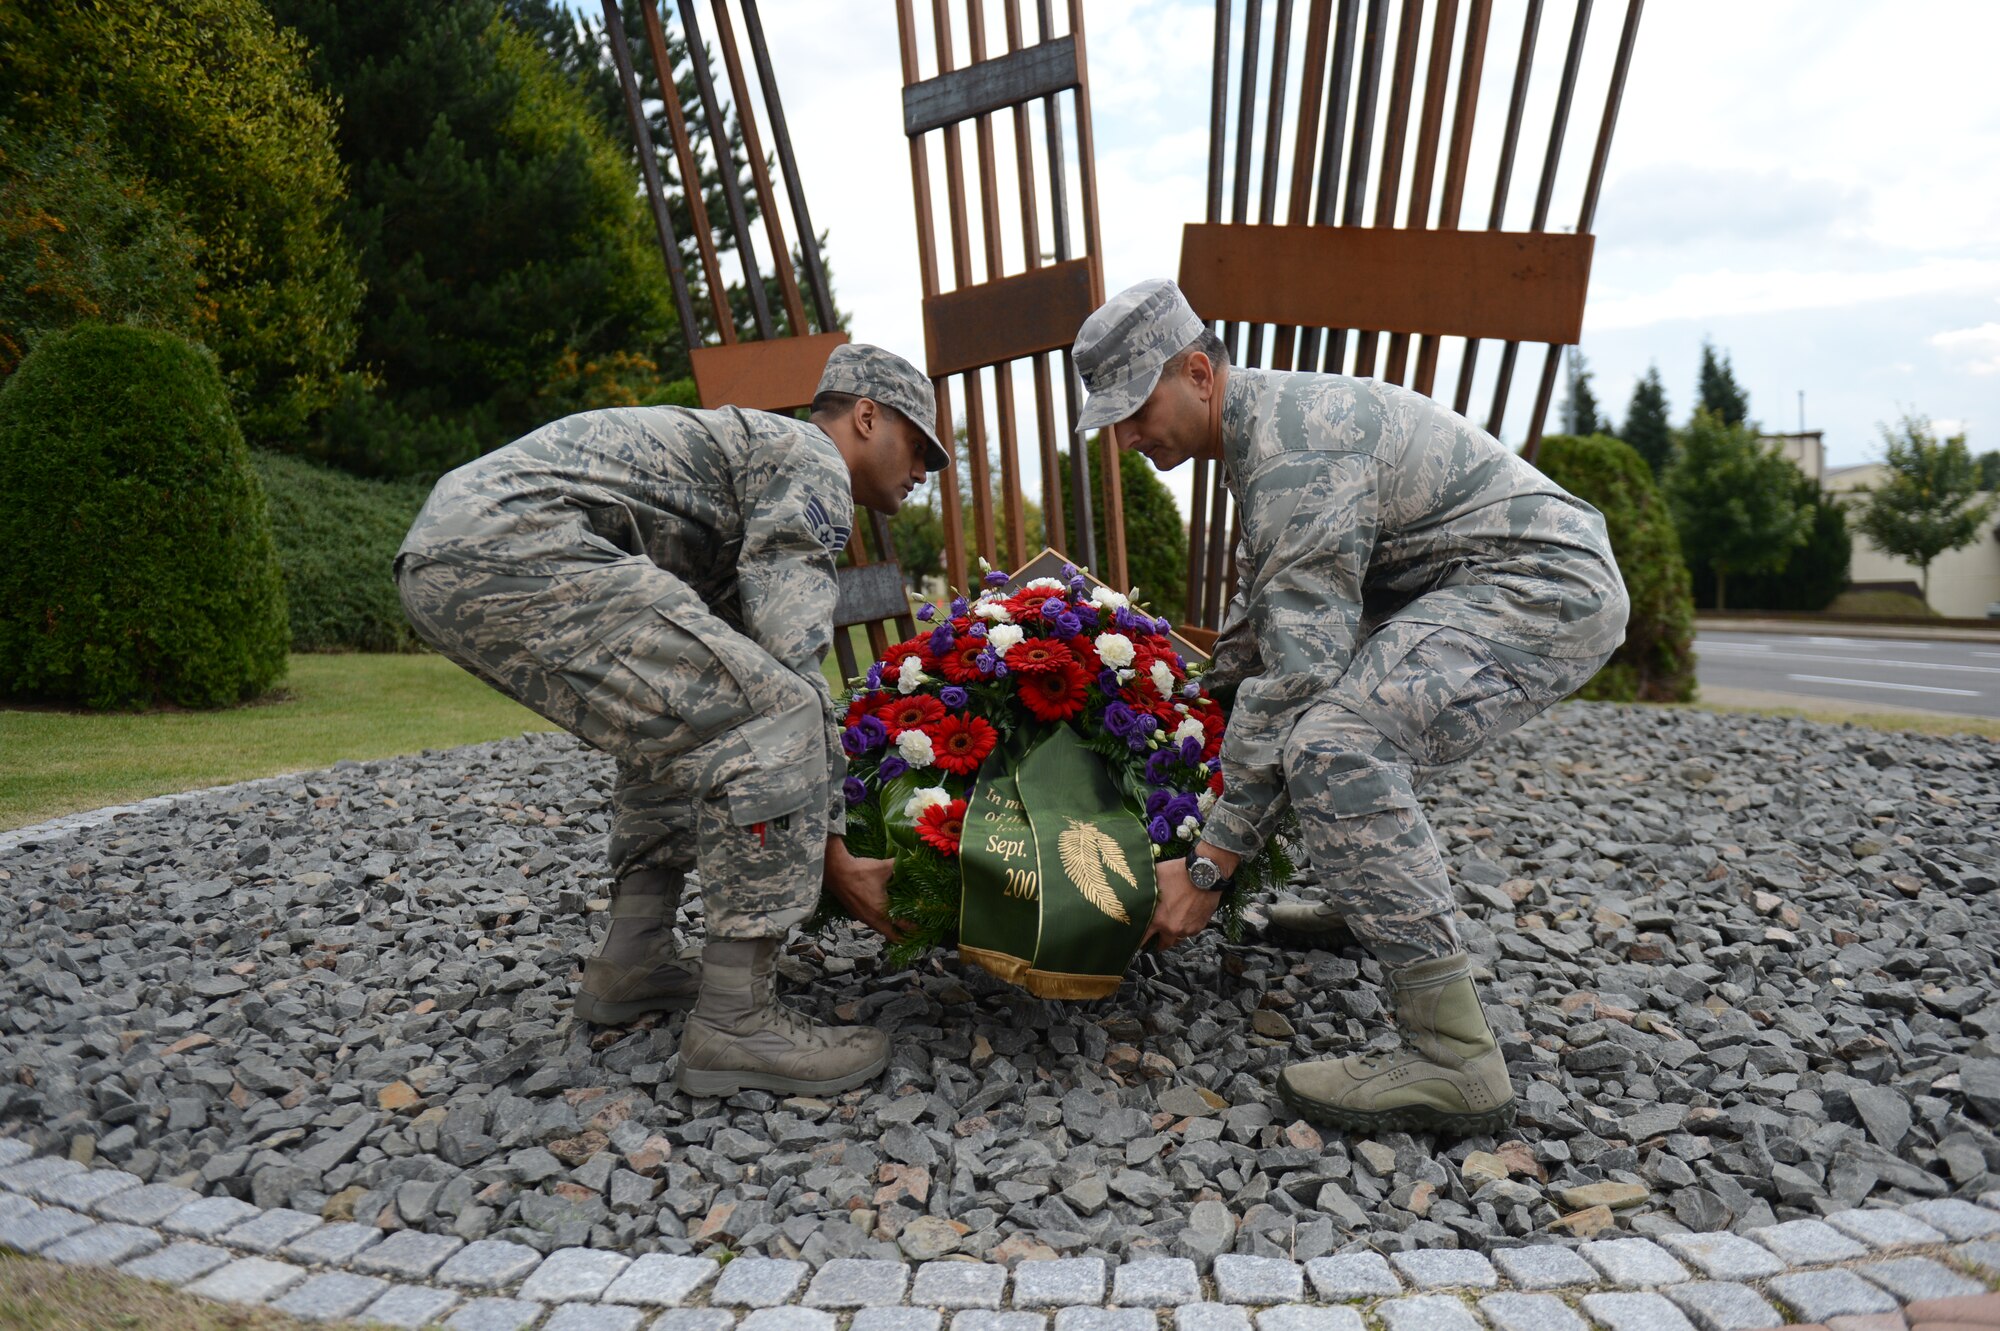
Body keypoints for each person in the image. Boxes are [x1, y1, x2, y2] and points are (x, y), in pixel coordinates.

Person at [1073, 279, 1629, 1137]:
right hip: (1478, 580)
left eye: (1136, 409)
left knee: (1336, 743)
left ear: (1196, 371)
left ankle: (1453, 1057)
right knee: (1334, 715)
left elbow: (1300, 673)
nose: (1127, 436)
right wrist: (1194, 705)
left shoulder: (1296, 453)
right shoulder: (1268, 430)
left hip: (1541, 590)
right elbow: (1271, 615)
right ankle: (1370, 891)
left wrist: (1213, 863)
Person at [395, 344, 948, 1098]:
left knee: (693, 716)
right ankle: (735, 1020)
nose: (923, 473)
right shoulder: (811, 460)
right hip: (521, 544)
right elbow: (792, 667)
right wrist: (836, 850)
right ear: (865, 415)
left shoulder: (742, 463)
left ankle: (634, 957)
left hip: (456, 544)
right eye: (919, 447)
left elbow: (722, 687)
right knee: (778, 710)